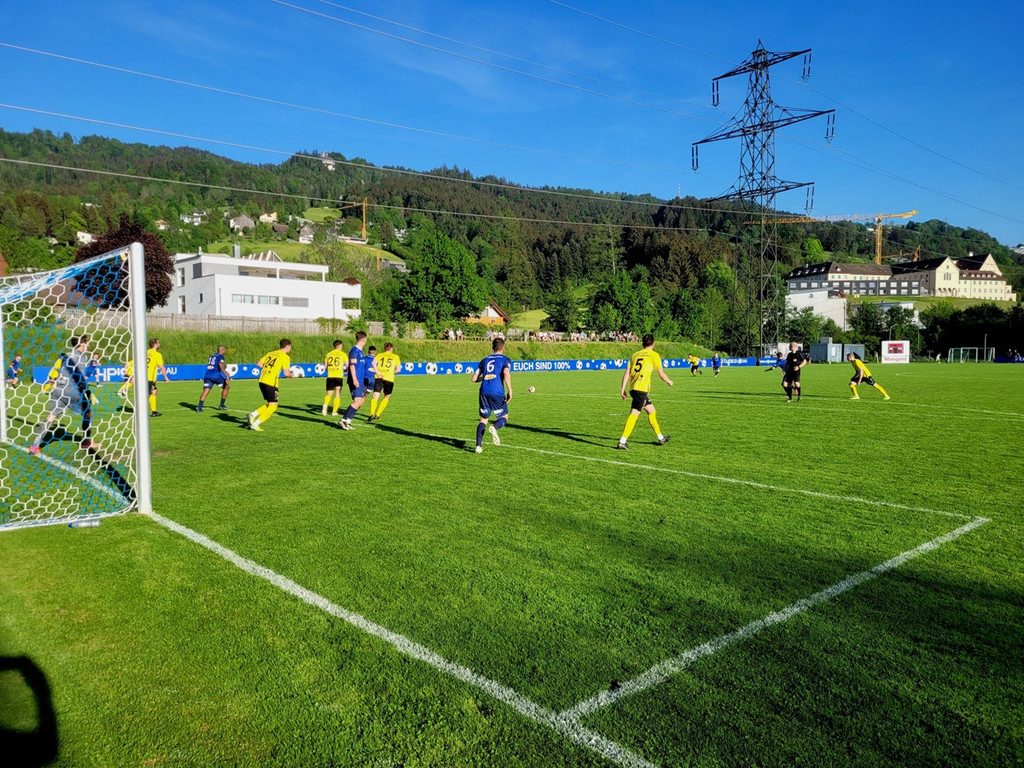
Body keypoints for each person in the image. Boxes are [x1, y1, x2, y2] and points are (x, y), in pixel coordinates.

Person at [29, 335, 99, 454]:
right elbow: (79, 376)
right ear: (82, 343)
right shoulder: (82, 356)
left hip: (58, 389)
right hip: (71, 391)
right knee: (88, 413)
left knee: (51, 417)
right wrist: (87, 391)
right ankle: (87, 442)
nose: (88, 345)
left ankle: (35, 445)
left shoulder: (66, 355)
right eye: (87, 342)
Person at [616, 333, 673, 450]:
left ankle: (661, 438)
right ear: (653, 343)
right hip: (641, 389)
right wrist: (669, 381)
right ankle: (622, 441)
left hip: (634, 388)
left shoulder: (634, 355)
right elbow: (661, 374)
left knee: (652, 411)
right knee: (634, 414)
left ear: (642, 343)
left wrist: (622, 388)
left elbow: (627, 372)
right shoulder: (654, 355)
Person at [471, 337, 512, 453]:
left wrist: (485, 377)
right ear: (503, 348)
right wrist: (510, 390)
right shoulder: (505, 359)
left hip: (484, 391)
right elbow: (505, 372)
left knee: (483, 420)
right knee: (504, 417)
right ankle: (494, 427)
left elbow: (474, 379)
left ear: (492, 347)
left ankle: (478, 446)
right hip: (497, 391)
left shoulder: (484, 360)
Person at [247, 339, 294, 431]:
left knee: (270, 404)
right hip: (271, 382)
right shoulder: (285, 357)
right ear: (287, 347)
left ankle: (253, 415)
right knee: (273, 406)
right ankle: (255, 424)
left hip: (262, 380)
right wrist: (291, 375)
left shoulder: (271, 353)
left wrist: (268, 370)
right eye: (290, 347)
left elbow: (259, 364)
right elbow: (286, 373)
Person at [339, 331, 368, 430]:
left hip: (360, 380)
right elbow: (352, 365)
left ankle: (348, 421)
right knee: (357, 401)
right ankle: (343, 420)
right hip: (356, 380)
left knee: (360, 402)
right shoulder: (355, 351)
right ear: (364, 339)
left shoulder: (360, 351)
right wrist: (355, 379)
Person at [369, 342, 401, 421]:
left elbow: (373, 363)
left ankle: (371, 413)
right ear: (391, 348)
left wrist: (378, 372)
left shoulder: (380, 355)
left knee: (375, 395)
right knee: (386, 396)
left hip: (379, 377)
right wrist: (391, 372)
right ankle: (377, 414)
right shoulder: (395, 357)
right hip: (389, 379)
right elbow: (398, 370)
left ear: (385, 348)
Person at [197, 345, 231, 412]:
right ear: (223, 350)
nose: (226, 351)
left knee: (206, 390)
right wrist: (225, 374)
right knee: (226, 387)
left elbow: (214, 366)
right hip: (215, 376)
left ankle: (199, 408)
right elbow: (220, 365)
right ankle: (221, 405)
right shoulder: (221, 356)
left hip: (207, 375)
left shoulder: (212, 356)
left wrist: (224, 371)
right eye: (225, 350)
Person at [321, 339, 346, 416]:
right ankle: (334, 411)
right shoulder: (342, 354)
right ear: (340, 346)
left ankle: (325, 405)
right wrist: (345, 370)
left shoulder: (328, 354)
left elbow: (325, 367)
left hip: (330, 376)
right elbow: (348, 365)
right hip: (338, 375)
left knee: (328, 393)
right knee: (337, 393)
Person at [147, 338, 170, 417]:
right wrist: (166, 377)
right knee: (147, 395)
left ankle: (154, 411)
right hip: (149, 378)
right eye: (158, 343)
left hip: (143, 377)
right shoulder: (157, 354)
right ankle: (139, 411)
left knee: (154, 392)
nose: (159, 344)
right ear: (155, 344)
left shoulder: (145, 352)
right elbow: (161, 367)